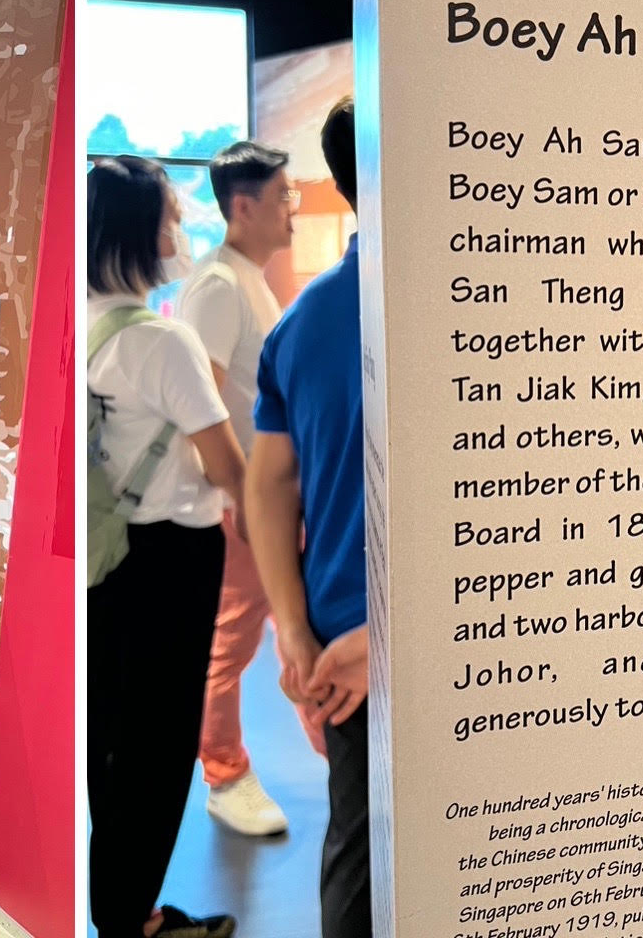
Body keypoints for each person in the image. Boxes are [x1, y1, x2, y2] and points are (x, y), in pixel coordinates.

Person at [88, 154, 247, 938]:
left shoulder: (88, 325)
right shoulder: (164, 342)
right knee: (158, 746)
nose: (180, 230)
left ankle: (124, 910)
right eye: (172, 217)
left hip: (106, 554)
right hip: (173, 558)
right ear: (138, 231)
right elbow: (226, 466)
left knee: (112, 737)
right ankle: (133, 922)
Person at [244, 98, 370, 938]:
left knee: (360, 854)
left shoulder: (300, 322)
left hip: (336, 641)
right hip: (384, 650)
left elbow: (268, 484)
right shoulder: (485, 308)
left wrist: (293, 630)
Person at [181, 139, 294, 839]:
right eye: (282, 197)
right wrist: (243, 497)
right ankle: (223, 773)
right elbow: (202, 409)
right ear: (243, 207)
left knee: (289, 628)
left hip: (269, 499)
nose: (292, 210)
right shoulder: (220, 286)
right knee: (229, 644)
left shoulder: (247, 279)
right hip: (243, 504)